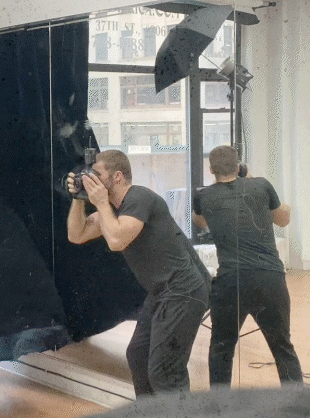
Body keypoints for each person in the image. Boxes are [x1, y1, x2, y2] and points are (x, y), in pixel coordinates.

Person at [66, 150, 210, 397]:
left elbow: (116, 240)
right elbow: (76, 235)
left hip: (184, 291)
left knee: (165, 370)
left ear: (118, 176)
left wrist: (100, 202)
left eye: (97, 175)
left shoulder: (139, 197)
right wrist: (79, 198)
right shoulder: (110, 210)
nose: (92, 180)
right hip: (162, 292)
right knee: (138, 355)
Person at [192, 145, 303, 388]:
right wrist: (248, 178)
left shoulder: (203, 196)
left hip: (231, 281)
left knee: (221, 347)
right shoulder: (261, 185)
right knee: (283, 347)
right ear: (239, 166)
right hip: (270, 279)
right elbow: (283, 220)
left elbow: (200, 222)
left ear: (211, 169)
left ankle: (220, 409)